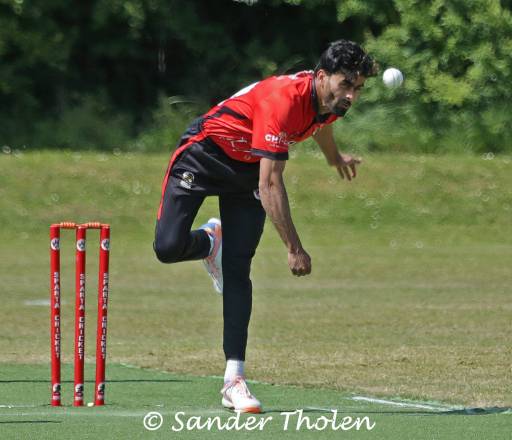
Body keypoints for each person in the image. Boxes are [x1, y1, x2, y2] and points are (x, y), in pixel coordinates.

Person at [154, 39, 377, 413]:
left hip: (247, 172)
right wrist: (294, 248)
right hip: (204, 155)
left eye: (358, 88)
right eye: (346, 85)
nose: (351, 95)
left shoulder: (331, 100)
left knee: (237, 268)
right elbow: (270, 183)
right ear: (322, 76)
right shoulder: (283, 100)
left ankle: (234, 380)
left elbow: (321, 124)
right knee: (167, 247)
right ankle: (210, 242)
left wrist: (334, 157)